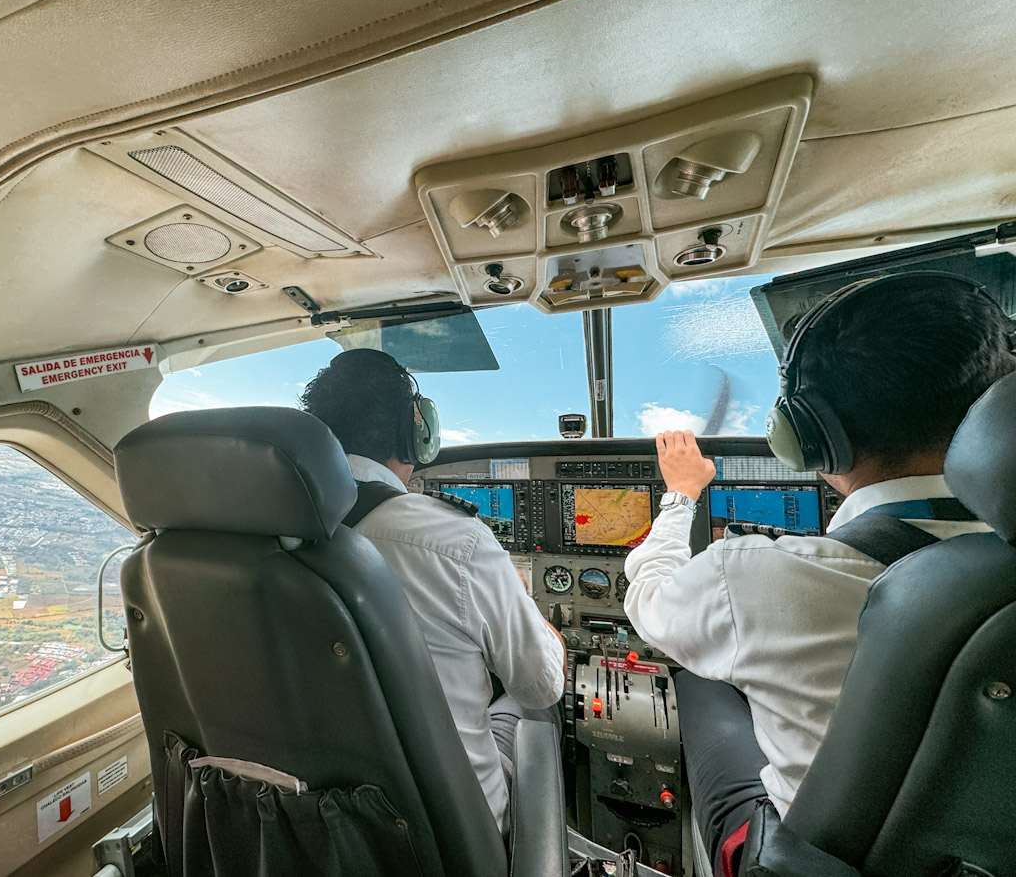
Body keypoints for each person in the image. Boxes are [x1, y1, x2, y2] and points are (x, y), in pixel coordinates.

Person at [622, 274, 1016, 873]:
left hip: (804, 853)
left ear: (809, 436)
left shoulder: (755, 579)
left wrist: (680, 496)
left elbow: (649, 600)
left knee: (696, 680)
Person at [300, 348, 567, 835]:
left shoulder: (274, 533)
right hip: (458, 835)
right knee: (531, 706)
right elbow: (541, 684)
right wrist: (530, 612)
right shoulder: (457, 541)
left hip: (325, 823)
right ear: (413, 434)